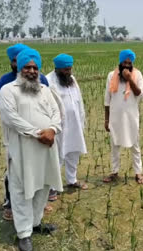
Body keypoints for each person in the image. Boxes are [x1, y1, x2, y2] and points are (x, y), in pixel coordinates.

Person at [0, 48, 63, 251]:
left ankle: (35, 223)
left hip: (47, 147)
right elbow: (10, 118)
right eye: (27, 67)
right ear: (19, 68)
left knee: (43, 185)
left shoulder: (44, 89)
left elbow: (56, 113)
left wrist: (52, 130)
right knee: (22, 190)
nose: (32, 71)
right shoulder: (9, 90)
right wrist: (38, 133)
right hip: (23, 149)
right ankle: (24, 234)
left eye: (35, 67)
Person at [0, 43, 51, 221]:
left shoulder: (43, 81)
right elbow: (0, 109)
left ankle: (37, 207)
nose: (17, 63)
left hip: (41, 137)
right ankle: (11, 203)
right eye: (15, 60)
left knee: (39, 169)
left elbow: (50, 106)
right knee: (14, 171)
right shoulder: (5, 83)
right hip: (16, 135)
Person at [46, 53, 88, 196]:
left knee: (73, 152)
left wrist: (82, 120)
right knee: (57, 156)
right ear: (57, 68)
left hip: (75, 123)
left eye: (69, 69)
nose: (68, 72)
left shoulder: (72, 80)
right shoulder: (48, 81)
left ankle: (72, 180)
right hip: (59, 126)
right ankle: (52, 187)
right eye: (65, 69)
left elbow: (79, 101)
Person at [103, 49, 143, 184]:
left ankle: (138, 172)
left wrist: (129, 79)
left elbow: (139, 93)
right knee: (114, 145)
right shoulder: (111, 75)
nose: (127, 65)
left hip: (131, 117)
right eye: (124, 63)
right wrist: (106, 119)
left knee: (135, 144)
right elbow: (107, 99)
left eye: (129, 63)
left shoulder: (137, 74)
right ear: (120, 63)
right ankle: (114, 172)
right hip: (115, 117)